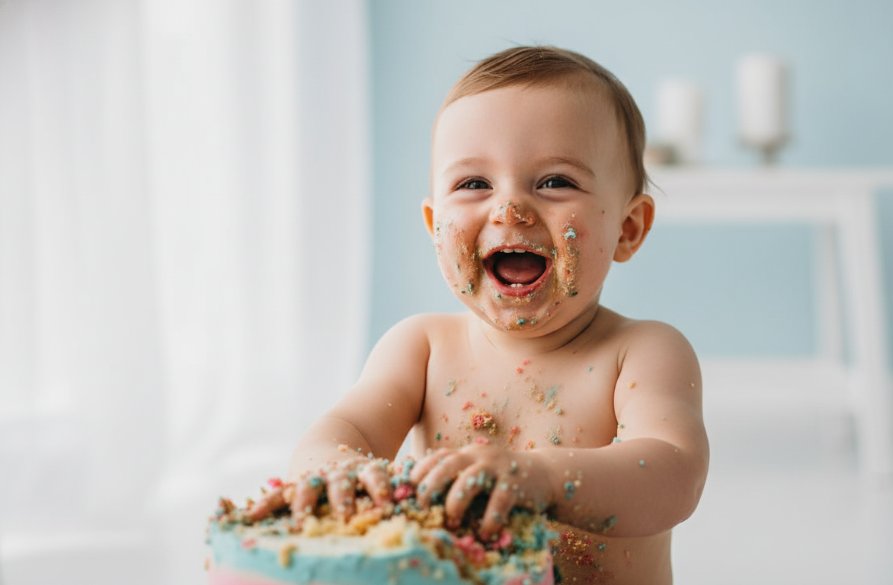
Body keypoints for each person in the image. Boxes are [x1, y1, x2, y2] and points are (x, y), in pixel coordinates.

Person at [250, 45, 709, 585]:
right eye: (473, 184)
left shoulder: (642, 352)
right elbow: (341, 432)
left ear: (628, 228)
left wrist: (538, 479)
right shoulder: (421, 348)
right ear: (433, 224)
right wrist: (338, 470)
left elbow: (671, 475)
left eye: (555, 181)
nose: (509, 209)